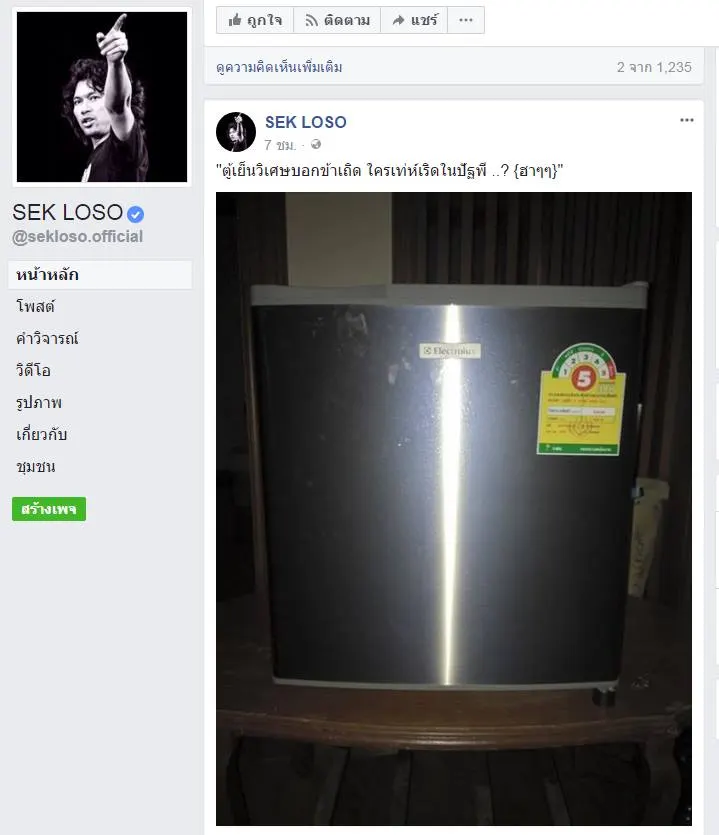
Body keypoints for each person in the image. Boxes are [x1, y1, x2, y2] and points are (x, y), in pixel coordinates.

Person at [61, 14, 148, 182]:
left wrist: (115, 63)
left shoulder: (122, 149)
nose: (84, 109)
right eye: (78, 101)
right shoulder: (95, 158)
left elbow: (117, 107)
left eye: (93, 97)